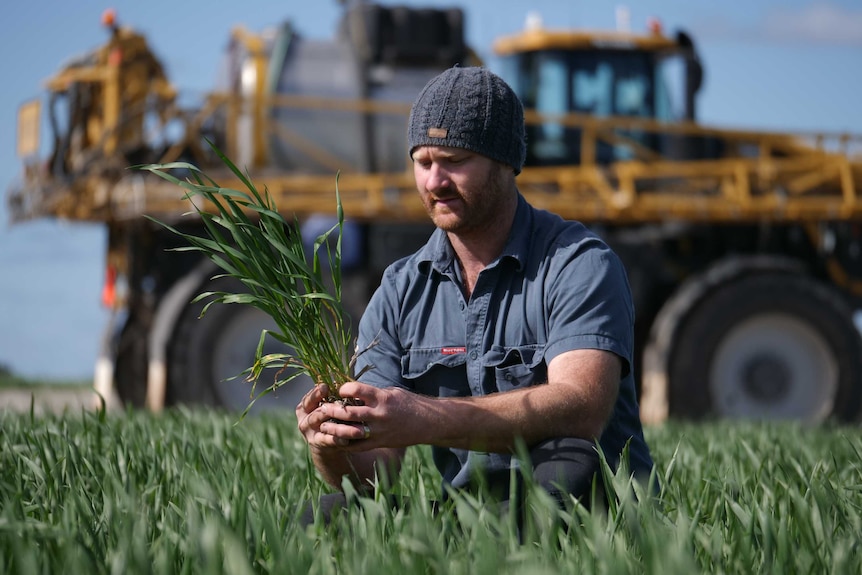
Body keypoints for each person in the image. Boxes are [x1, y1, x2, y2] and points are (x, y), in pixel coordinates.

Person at [296, 66, 654, 524]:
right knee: (326, 516)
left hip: (584, 512)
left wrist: (423, 417)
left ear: (506, 162)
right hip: (469, 518)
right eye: (423, 162)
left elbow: (580, 410)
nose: (434, 182)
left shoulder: (578, 263)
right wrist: (331, 444)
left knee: (570, 466)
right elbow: (374, 472)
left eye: (454, 160)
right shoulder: (400, 289)